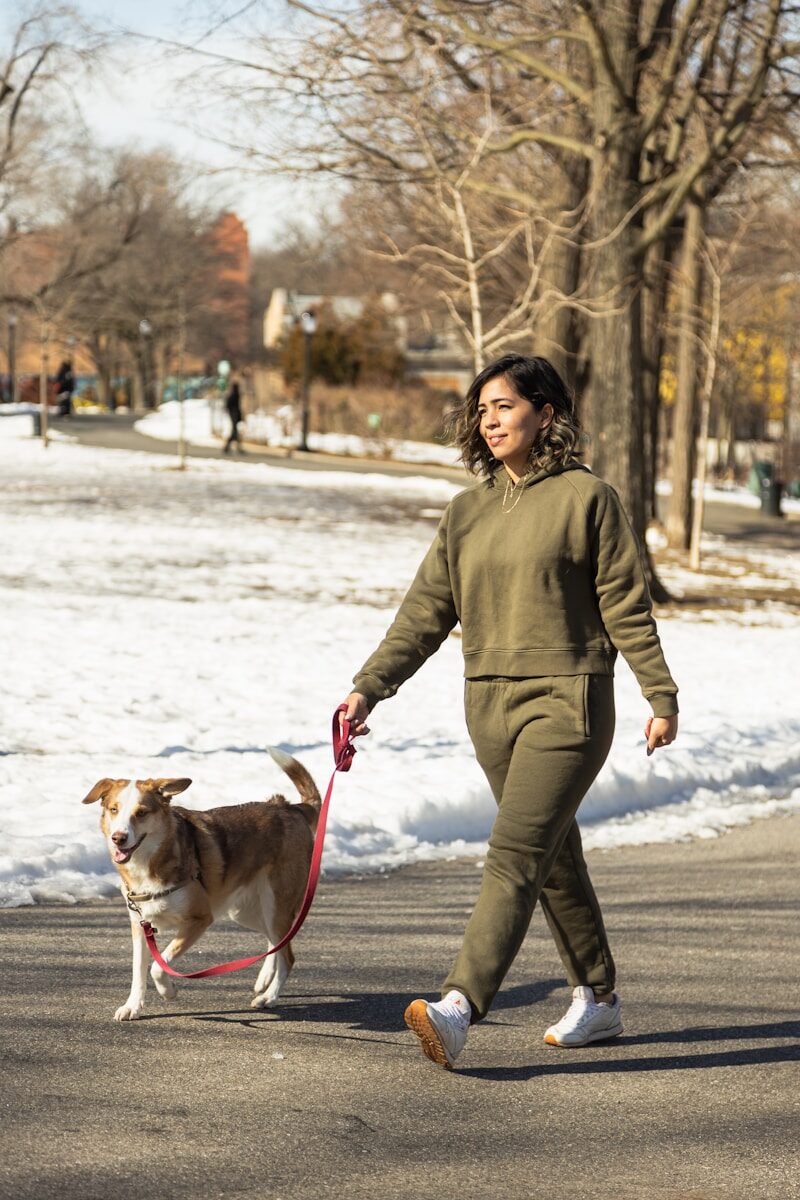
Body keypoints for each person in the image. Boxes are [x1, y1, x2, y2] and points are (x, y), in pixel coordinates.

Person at [339, 353, 679, 1070]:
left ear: (545, 414)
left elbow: (625, 601)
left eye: (504, 406)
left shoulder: (589, 498)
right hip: (489, 703)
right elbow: (426, 612)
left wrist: (659, 694)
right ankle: (601, 1000)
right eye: (481, 409)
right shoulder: (467, 512)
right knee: (551, 856)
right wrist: (369, 686)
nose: (488, 420)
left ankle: (459, 1005)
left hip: (569, 701)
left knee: (514, 853)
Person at [223, 378, 244, 454]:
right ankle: (229, 447)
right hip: (234, 415)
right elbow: (233, 406)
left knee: (235, 433)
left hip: (234, 415)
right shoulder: (234, 395)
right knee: (234, 433)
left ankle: (235, 448)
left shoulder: (234, 395)